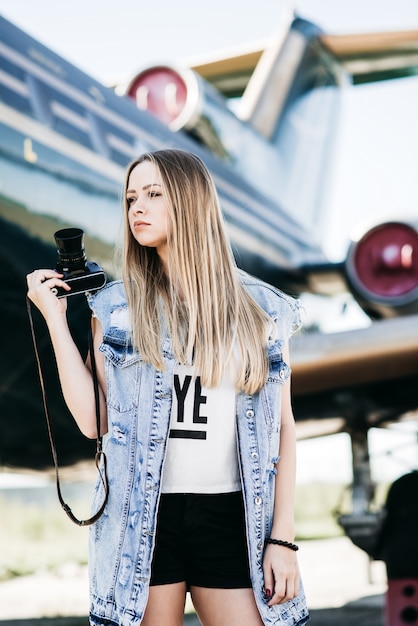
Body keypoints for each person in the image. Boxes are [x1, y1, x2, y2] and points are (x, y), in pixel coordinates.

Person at [26, 149, 309, 626]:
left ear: (191, 201)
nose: (137, 207)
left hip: (233, 517)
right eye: (132, 196)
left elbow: (283, 428)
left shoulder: (261, 310)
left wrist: (282, 538)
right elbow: (95, 421)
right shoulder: (115, 308)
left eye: (154, 194)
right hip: (143, 517)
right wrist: (56, 322)